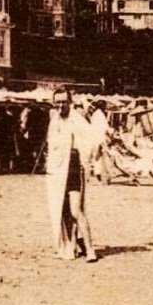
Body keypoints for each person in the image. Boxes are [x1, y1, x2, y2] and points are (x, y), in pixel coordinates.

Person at [45, 88, 98, 262]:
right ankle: (71, 245)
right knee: (62, 209)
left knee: (76, 210)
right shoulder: (54, 120)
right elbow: (51, 146)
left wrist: (85, 158)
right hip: (58, 170)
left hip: (74, 167)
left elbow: (92, 139)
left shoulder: (77, 119)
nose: (60, 105)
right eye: (57, 102)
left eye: (63, 102)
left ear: (70, 102)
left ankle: (90, 250)